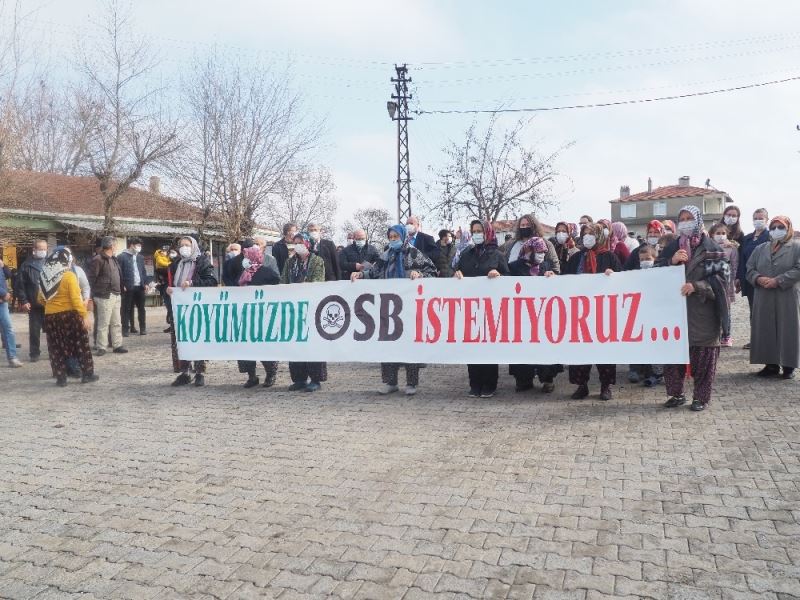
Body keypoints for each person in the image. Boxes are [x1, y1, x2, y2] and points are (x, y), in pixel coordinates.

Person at [352, 223, 437, 395]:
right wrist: (361, 275)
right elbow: (374, 273)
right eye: (390, 237)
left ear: (403, 236)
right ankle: (390, 382)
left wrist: (419, 275)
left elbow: (433, 271)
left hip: (409, 307)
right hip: (387, 307)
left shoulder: (414, 253)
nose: (393, 240)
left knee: (409, 344)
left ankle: (411, 383)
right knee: (387, 343)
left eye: (395, 237)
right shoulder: (385, 256)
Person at [658, 205, 728, 412]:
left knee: (703, 357)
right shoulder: (671, 247)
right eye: (682, 218)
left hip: (703, 313)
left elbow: (723, 283)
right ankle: (676, 394)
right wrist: (671, 262)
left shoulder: (713, 249)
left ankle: (701, 398)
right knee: (673, 355)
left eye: (690, 218)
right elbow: (654, 275)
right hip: (674, 312)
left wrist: (697, 286)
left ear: (698, 220)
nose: (686, 222)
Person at [566, 223, 621, 400]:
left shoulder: (609, 256)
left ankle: (606, 386)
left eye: (591, 233)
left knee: (604, 351)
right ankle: (582, 386)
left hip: (603, 313)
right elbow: (564, 279)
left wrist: (614, 277)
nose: (587, 237)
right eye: (584, 233)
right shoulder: (576, 258)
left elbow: (623, 281)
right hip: (579, 312)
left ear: (599, 236)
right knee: (580, 351)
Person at [455, 220, 509, 398]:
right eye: (474, 231)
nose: (477, 234)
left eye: (480, 231)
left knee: (488, 347)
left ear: (488, 233)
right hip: (470, 307)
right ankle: (475, 383)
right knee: (472, 346)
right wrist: (456, 273)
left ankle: (489, 384)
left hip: (491, 309)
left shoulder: (498, 254)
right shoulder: (466, 253)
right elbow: (455, 270)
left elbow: (509, 277)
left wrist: (499, 275)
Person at [746, 215, 800, 380]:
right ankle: (770, 364)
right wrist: (758, 278)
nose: (777, 230)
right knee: (765, 328)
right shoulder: (761, 248)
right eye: (774, 227)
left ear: (788, 228)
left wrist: (779, 280)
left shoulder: (796, 247)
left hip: (786, 294)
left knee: (788, 328)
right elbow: (749, 268)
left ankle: (789, 366)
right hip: (764, 294)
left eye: (781, 227)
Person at [507, 237, 562, 393]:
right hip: (521, 315)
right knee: (522, 348)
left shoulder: (546, 266)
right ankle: (523, 379)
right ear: (528, 251)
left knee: (544, 348)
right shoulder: (514, 267)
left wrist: (553, 278)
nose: (541, 255)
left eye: (543, 252)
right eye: (538, 251)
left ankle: (547, 379)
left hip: (543, 314)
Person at [38, 248, 98, 386]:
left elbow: (40, 299)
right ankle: (87, 374)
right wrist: (84, 315)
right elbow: (76, 299)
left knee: (56, 348)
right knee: (80, 345)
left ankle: (61, 378)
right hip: (70, 316)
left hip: (51, 317)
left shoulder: (44, 277)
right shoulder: (69, 276)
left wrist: (52, 304)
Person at [167, 236, 218, 386]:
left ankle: (200, 372)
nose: (184, 247)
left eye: (187, 245)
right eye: (181, 245)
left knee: (197, 337)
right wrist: (169, 290)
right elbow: (171, 284)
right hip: (179, 309)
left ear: (194, 246)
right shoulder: (176, 263)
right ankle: (185, 372)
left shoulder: (202, 261)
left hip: (198, 308)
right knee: (181, 339)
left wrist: (192, 283)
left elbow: (212, 282)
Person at [281, 233, 327, 391]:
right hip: (293, 308)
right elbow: (284, 281)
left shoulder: (317, 261)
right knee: (295, 342)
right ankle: (299, 378)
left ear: (308, 244)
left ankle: (315, 379)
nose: (297, 245)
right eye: (295, 243)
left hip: (311, 307)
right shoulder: (289, 262)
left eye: (300, 242)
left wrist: (303, 287)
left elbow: (318, 282)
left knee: (312, 343)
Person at [237, 245, 281, 388]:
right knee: (245, 346)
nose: (245, 259)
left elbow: (277, 288)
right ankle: (252, 375)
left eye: (247, 256)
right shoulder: (244, 273)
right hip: (246, 314)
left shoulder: (267, 272)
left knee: (264, 345)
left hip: (263, 315)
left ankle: (270, 373)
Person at [629, 244, 664, 387]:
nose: (645, 261)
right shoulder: (635, 274)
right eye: (642, 259)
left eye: (648, 258)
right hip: (639, 315)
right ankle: (637, 369)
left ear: (655, 258)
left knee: (654, 344)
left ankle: (655, 373)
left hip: (656, 315)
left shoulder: (662, 273)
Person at [87, 236, 127, 356]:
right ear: (111, 246)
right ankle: (101, 346)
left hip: (116, 294)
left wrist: (121, 286)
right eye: (115, 245)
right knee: (103, 323)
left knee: (116, 322)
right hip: (104, 295)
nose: (116, 248)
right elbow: (91, 278)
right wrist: (92, 295)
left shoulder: (113, 259)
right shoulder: (98, 259)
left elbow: (118, 274)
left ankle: (117, 345)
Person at [738, 208, 771, 349]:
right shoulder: (747, 238)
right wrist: (738, 278)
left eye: (761, 218)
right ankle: (755, 340)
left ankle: (768, 340)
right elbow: (742, 259)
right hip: (750, 280)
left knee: (767, 311)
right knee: (754, 311)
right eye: (756, 218)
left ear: (767, 220)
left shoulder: (770, 237)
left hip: (766, 280)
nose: (758, 220)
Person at [14, 239, 48, 361]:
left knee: (52, 329)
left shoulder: (50, 263)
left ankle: (54, 351)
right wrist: (24, 301)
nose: (43, 251)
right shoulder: (26, 265)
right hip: (34, 304)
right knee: (34, 330)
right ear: (34, 250)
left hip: (50, 303)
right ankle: (34, 353)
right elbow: (20, 285)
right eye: (41, 249)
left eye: (45, 249)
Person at [709, 222, 739, 347]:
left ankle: (727, 335)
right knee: (712, 309)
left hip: (726, 284)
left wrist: (731, 281)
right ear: (712, 235)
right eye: (718, 233)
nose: (721, 236)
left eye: (723, 233)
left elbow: (734, 266)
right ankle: (715, 334)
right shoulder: (708, 247)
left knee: (726, 309)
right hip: (711, 283)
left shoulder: (731, 248)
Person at [117, 237, 148, 336]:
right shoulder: (122, 256)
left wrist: (146, 283)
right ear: (131, 245)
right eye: (137, 245)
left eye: (140, 246)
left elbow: (143, 271)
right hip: (128, 286)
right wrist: (122, 285)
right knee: (126, 308)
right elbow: (118, 272)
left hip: (140, 286)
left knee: (141, 308)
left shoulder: (140, 257)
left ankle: (142, 328)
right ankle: (125, 329)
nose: (139, 247)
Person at [1, 258, 23, 367]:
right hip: (2, 298)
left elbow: (8, 275)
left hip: (2, 303)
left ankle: (12, 357)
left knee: (8, 328)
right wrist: (4, 293)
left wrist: (3, 265)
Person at [154, 244, 174, 332]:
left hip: (168, 284)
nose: (165, 252)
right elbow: (162, 264)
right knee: (169, 305)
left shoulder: (169, 257)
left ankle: (172, 324)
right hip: (164, 284)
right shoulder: (159, 256)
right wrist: (170, 264)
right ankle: (172, 324)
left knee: (170, 306)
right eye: (164, 251)